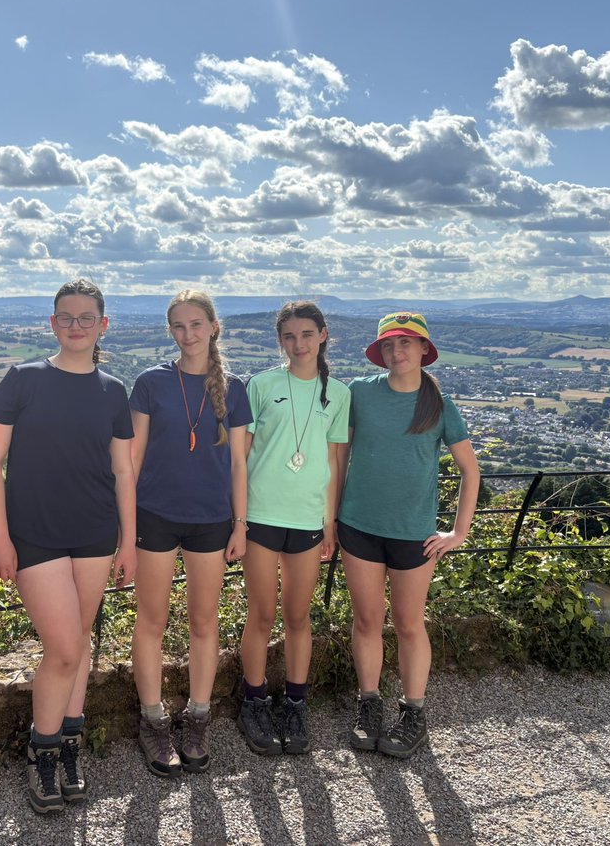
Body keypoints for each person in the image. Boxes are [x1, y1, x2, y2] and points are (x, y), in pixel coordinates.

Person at [0, 278, 136, 814]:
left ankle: (69, 743)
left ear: (102, 325)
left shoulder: (113, 391)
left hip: (95, 533)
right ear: (52, 323)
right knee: (65, 648)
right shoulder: (22, 380)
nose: (75, 326)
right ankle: (41, 750)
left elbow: (123, 471)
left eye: (86, 317)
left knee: (80, 642)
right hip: (35, 534)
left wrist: (128, 542)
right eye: (65, 317)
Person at [337, 312, 479, 758]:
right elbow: (340, 456)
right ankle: (369, 703)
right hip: (358, 525)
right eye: (388, 345)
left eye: (405, 343)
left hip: (414, 534)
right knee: (366, 621)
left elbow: (470, 470)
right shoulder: (360, 393)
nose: (396, 352)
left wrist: (458, 532)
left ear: (423, 349)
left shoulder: (438, 404)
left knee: (409, 624)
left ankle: (414, 713)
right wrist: (331, 518)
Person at [129, 291, 251, 777]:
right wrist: (125, 527)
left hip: (211, 520)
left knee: (204, 621)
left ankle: (198, 718)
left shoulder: (234, 389)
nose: (188, 334)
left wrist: (240, 524)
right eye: (178, 326)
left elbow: (239, 464)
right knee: (151, 621)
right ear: (170, 331)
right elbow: (133, 459)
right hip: (154, 515)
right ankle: (153, 720)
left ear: (214, 327)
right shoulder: (150, 382)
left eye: (196, 324)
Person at [237, 301, 350, 756]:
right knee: (262, 614)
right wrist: (238, 518)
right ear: (280, 340)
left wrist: (330, 521)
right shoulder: (261, 385)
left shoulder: (338, 394)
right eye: (289, 336)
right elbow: (241, 457)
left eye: (306, 334)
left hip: (307, 520)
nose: (298, 344)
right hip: (261, 516)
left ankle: (296, 704)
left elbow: (335, 462)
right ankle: (254, 701)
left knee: (299, 617)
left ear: (323, 335)